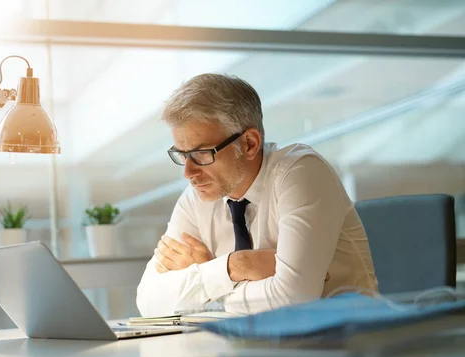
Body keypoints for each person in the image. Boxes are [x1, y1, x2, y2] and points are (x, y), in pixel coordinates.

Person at [135, 73, 378, 317]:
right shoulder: (196, 197)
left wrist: (206, 285)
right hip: (248, 348)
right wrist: (235, 265)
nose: (188, 172)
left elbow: (294, 300)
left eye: (201, 154)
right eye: (182, 154)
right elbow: (148, 301)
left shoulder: (301, 172)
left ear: (249, 144)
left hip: (341, 343)